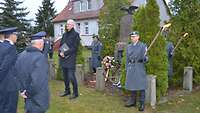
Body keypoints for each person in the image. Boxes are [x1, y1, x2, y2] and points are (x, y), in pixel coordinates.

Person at [15, 31, 50, 113]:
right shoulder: (40, 58)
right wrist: (27, 93)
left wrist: (22, 90)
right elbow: (37, 82)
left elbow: (16, 73)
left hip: (26, 96)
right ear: (41, 44)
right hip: (37, 99)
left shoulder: (21, 55)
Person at [125, 31, 148, 112]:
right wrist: (126, 68)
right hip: (131, 67)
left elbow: (146, 58)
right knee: (132, 85)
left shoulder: (143, 46)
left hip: (139, 67)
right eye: (131, 36)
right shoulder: (128, 46)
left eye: (134, 36)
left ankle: (142, 103)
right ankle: (132, 101)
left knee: (141, 86)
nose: (132, 38)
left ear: (138, 37)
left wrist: (145, 58)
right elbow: (127, 59)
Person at [59, 19, 80, 99]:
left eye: (68, 24)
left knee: (71, 76)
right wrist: (60, 53)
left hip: (70, 59)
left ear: (72, 25)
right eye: (66, 24)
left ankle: (75, 93)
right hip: (63, 59)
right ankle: (67, 91)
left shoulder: (75, 35)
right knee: (65, 77)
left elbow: (74, 48)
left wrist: (65, 53)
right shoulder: (64, 34)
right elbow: (61, 45)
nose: (66, 25)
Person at [0, 27, 19, 113]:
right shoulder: (10, 48)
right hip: (9, 84)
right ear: (11, 36)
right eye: (16, 34)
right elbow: (4, 67)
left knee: (3, 106)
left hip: (3, 84)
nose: (17, 37)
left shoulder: (2, 45)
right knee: (9, 108)